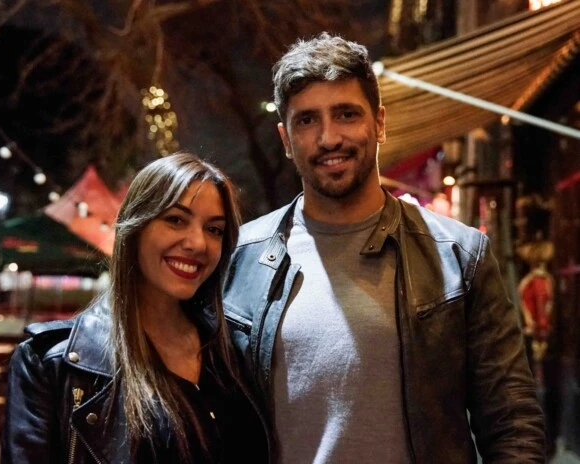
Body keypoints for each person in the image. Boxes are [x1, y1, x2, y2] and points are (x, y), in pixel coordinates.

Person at [223, 32, 545, 463]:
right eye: (307, 120)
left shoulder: (459, 255)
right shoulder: (242, 258)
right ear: (285, 139)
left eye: (346, 114)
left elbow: (512, 423)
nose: (328, 138)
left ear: (379, 123)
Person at [2, 152, 270, 463]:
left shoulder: (234, 352)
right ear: (135, 227)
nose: (198, 243)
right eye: (175, 220)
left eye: (214, 230)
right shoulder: (50, 364)